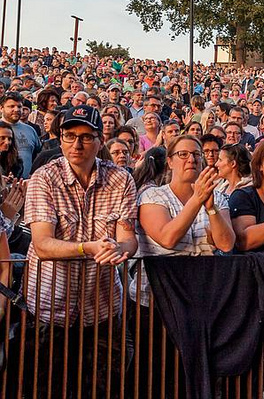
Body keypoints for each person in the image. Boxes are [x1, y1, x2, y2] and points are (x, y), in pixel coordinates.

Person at [23, 104, 137, 395]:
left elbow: (128, 238)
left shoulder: (121, 179)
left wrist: (117, 249)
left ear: (100, 140)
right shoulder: (44, 178)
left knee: (104, 388)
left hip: (102, 306)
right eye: (70, 135)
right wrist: (89, 248)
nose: (77, 144)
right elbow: (43, 244)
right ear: (60, 138)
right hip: (49, 307)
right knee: (46, 387)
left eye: (86, 137)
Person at [132, 135, 236, 306]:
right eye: (183, 154)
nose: (191, 159)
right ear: (170, 162)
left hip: (202, 296)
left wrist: (211, 208)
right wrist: (198, 199)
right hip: (157, 299)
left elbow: (226, 244)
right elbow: (168, 238)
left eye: (196, 154)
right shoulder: (152, 196)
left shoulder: (217, 197)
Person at [1, 92, 41, 178]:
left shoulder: (30, 130)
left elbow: (38, 155)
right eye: (11, 106)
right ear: (1, 108)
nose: (16, 110)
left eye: (19, 106)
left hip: (26, 186)